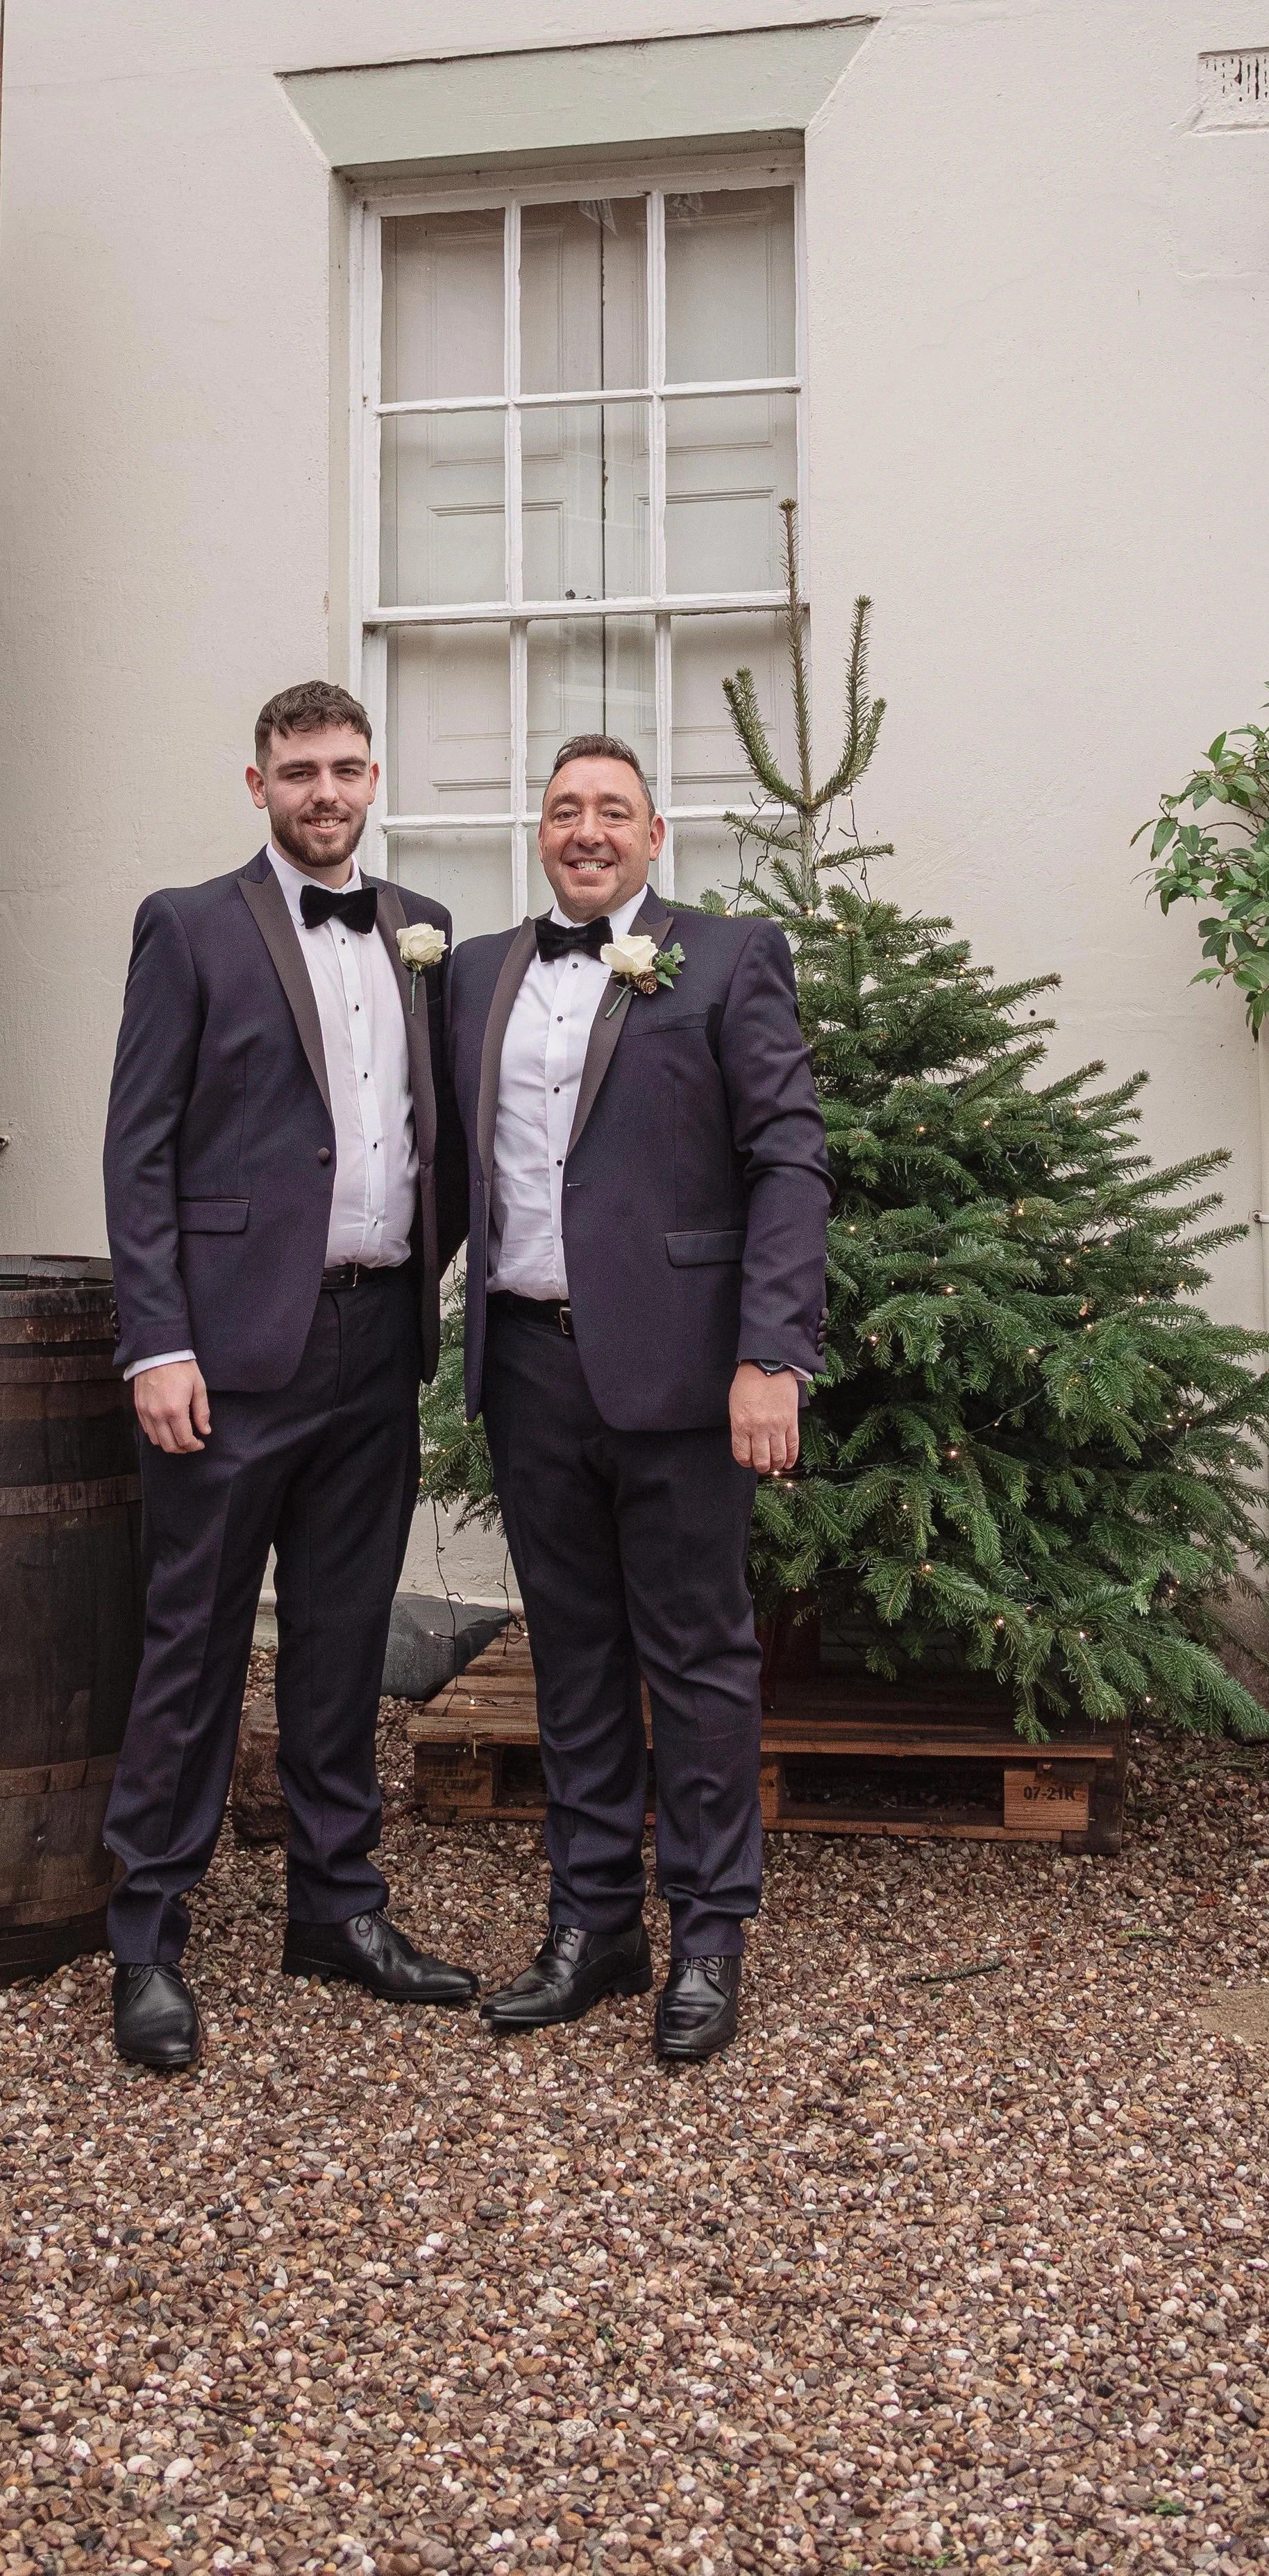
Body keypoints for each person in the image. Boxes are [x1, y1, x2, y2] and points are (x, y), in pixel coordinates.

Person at [101, 680, 475, 2072]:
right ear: (258, 785)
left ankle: (335, 1907)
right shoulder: (189, 926)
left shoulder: (421, 929)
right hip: (227, 1356)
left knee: (341, 1639)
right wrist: (158, 1340)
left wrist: (423, 1277)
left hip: (375, 1344)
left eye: (346, 768)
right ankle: (146, 1934)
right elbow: (139, 1148)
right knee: (195, 1640)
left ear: (374, 779)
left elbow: (440, 1136)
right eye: (299, 770)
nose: (326, 792)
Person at [446, 733, 830, 2060]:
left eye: (614, 809)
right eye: (566, 809)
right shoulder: (479, 973)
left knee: (699, 1658)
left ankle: (710, 1937)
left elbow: (788, 1162)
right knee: (573, 1656)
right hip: (527, 1365)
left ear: (656, 836)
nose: (588, 829)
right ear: (540, 833)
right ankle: (594, 1923)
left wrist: (770, 1355)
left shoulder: (726, 957)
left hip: (682, 1374)